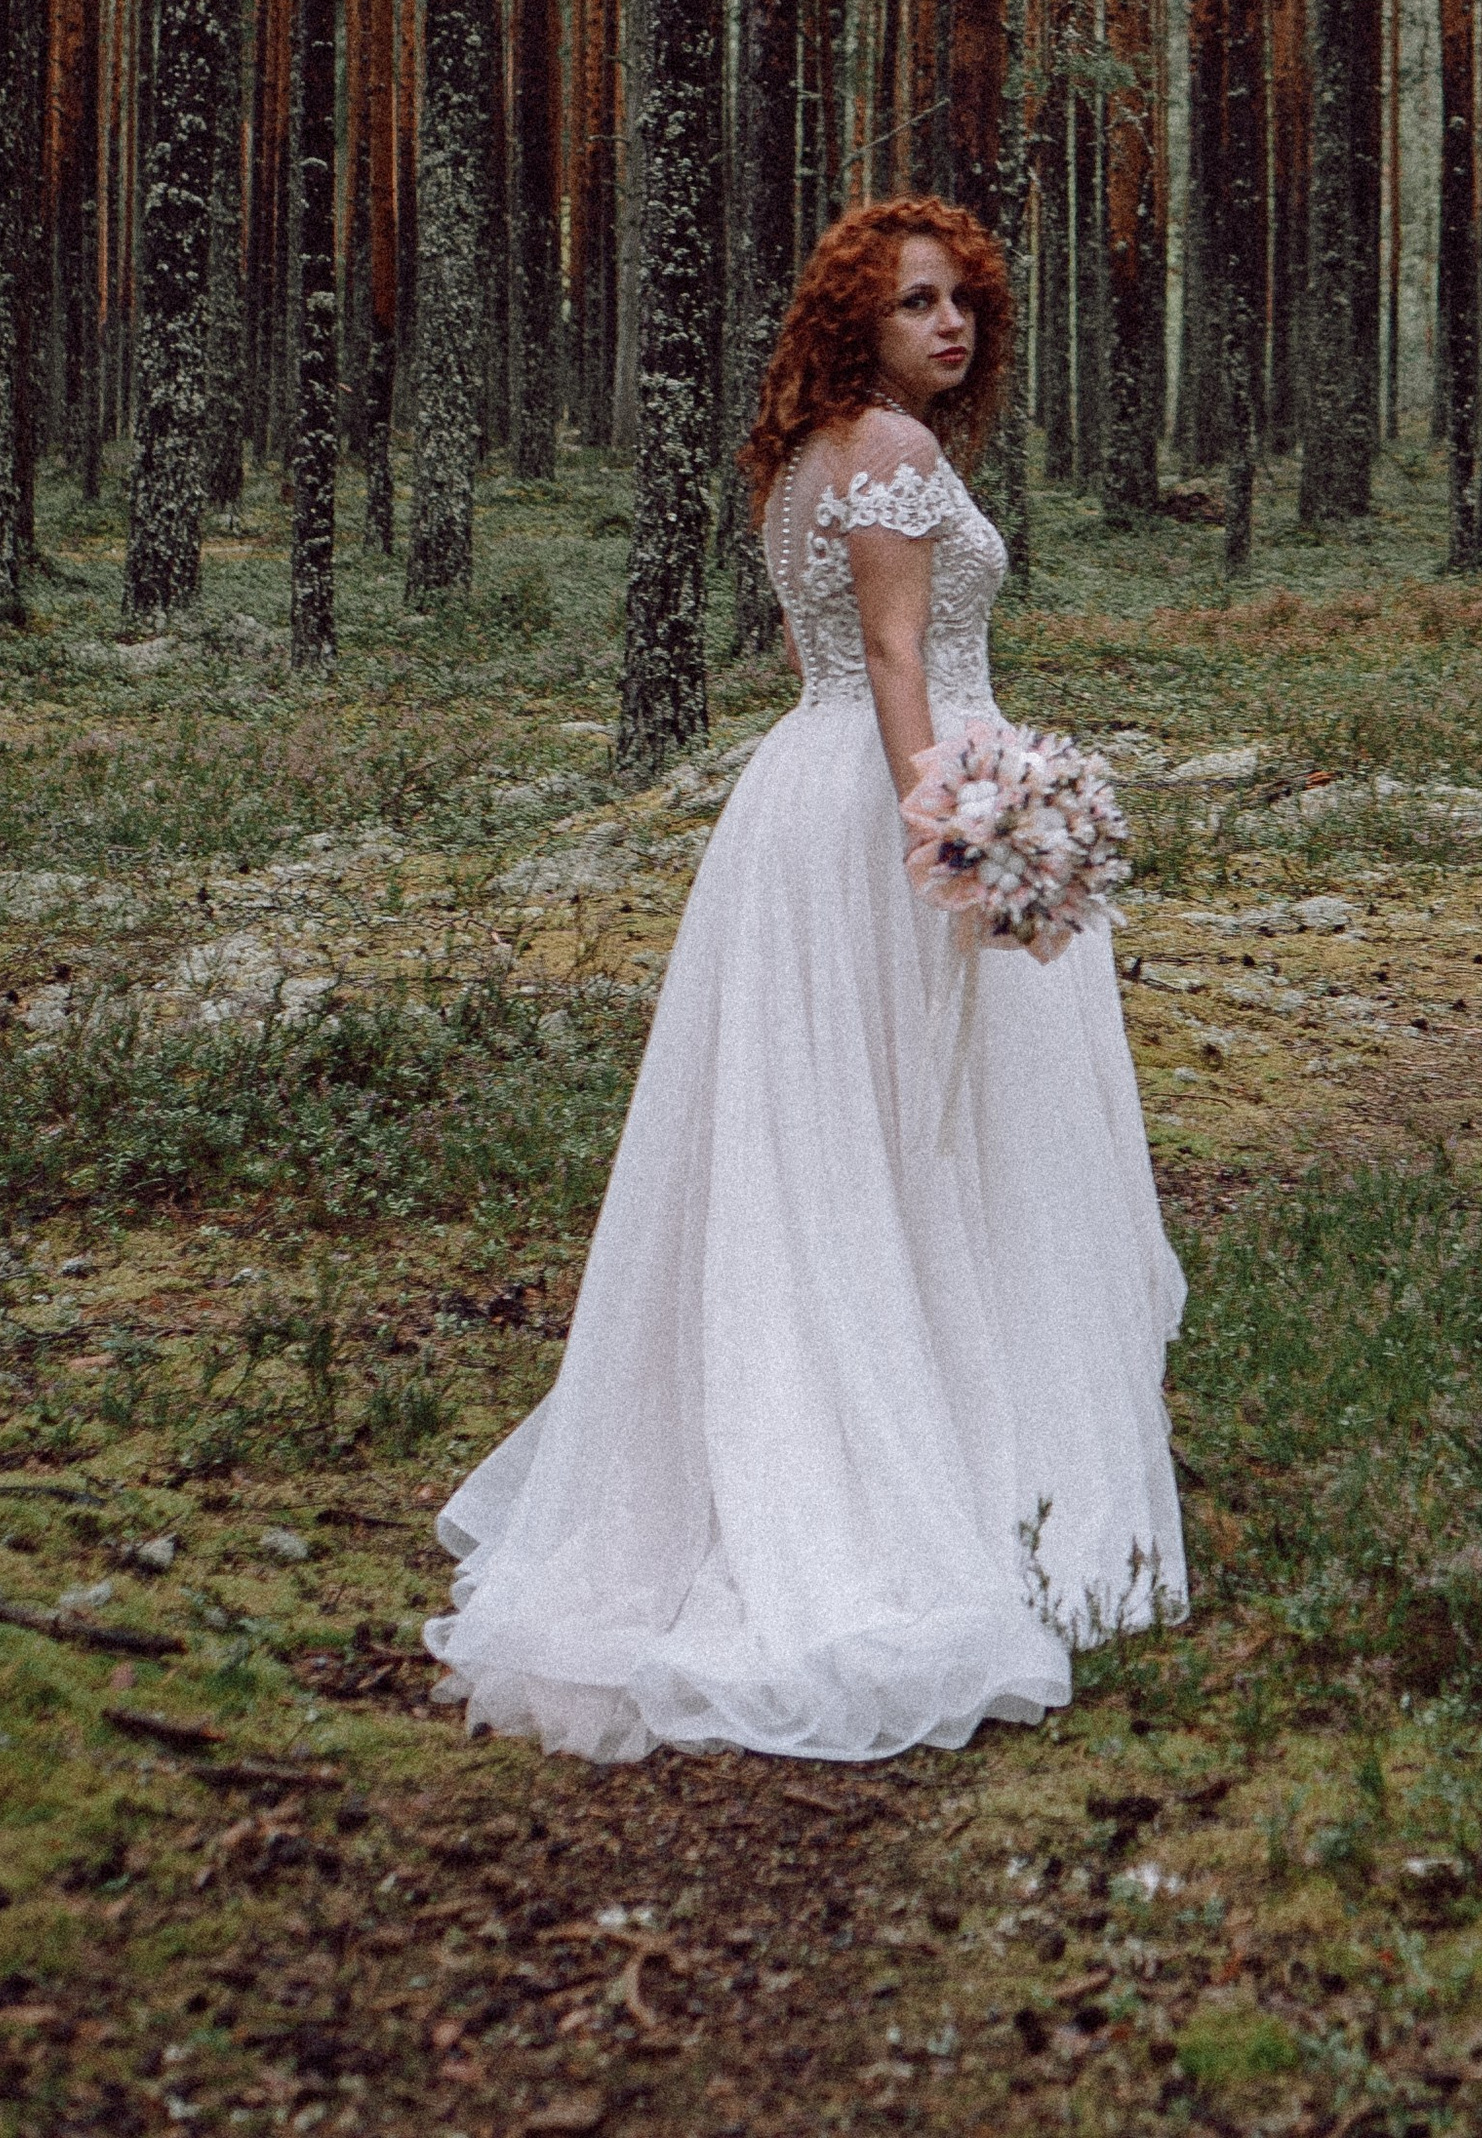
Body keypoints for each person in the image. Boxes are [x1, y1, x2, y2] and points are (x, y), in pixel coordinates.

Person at [425, 195, 1187, 1763]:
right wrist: (959, 837)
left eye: (964, 299)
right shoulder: (895, 459)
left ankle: (857, 1430)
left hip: (800, 803)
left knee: (832, 1146)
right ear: (859, 320)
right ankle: (944, 1478)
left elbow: (818, 660)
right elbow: (901, 661)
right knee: (918, 1135)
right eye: (917, 303)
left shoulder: (802, 463)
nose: (952, 325)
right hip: (890, 800)